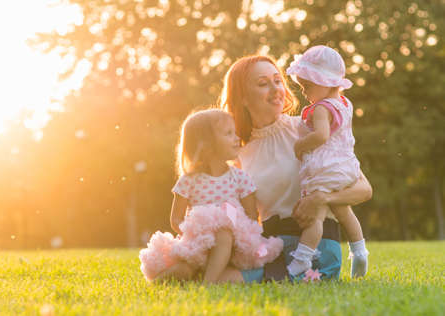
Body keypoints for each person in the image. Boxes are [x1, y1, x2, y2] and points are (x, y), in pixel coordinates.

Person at [218, 54, 373, 283]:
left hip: (315, 250)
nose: (275, 89)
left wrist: (322, 198)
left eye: (277, 80)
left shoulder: (310, 129)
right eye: (263, 84)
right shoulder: (239, 154)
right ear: (242, 98)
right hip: (273, 247)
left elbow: (364, 190)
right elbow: (246, 216)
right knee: (210, 272)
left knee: (224, 279)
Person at [139, 109, 283, 283]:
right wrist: (198, 234)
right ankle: (161, 281)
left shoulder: (240, 178)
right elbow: (176, 219)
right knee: (184, 270)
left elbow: (252, 216)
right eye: (229, 134)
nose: (237, 138)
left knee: (223, 235)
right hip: (198, 243)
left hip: (231, 245)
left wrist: (233, 228)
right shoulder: (189, 180)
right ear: (206, 145)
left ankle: (209, 283)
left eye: (234, 132)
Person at [284, 45, 369, 278]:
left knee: (316, 217)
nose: (304, 92)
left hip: (326, 168)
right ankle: (360, 251)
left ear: (324, 81)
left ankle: (301, 260)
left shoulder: (321, 108)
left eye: (307, 86)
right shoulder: (344, 103)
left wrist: (300, 145)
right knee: (344, 212)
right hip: (346, 166)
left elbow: (321, 136)